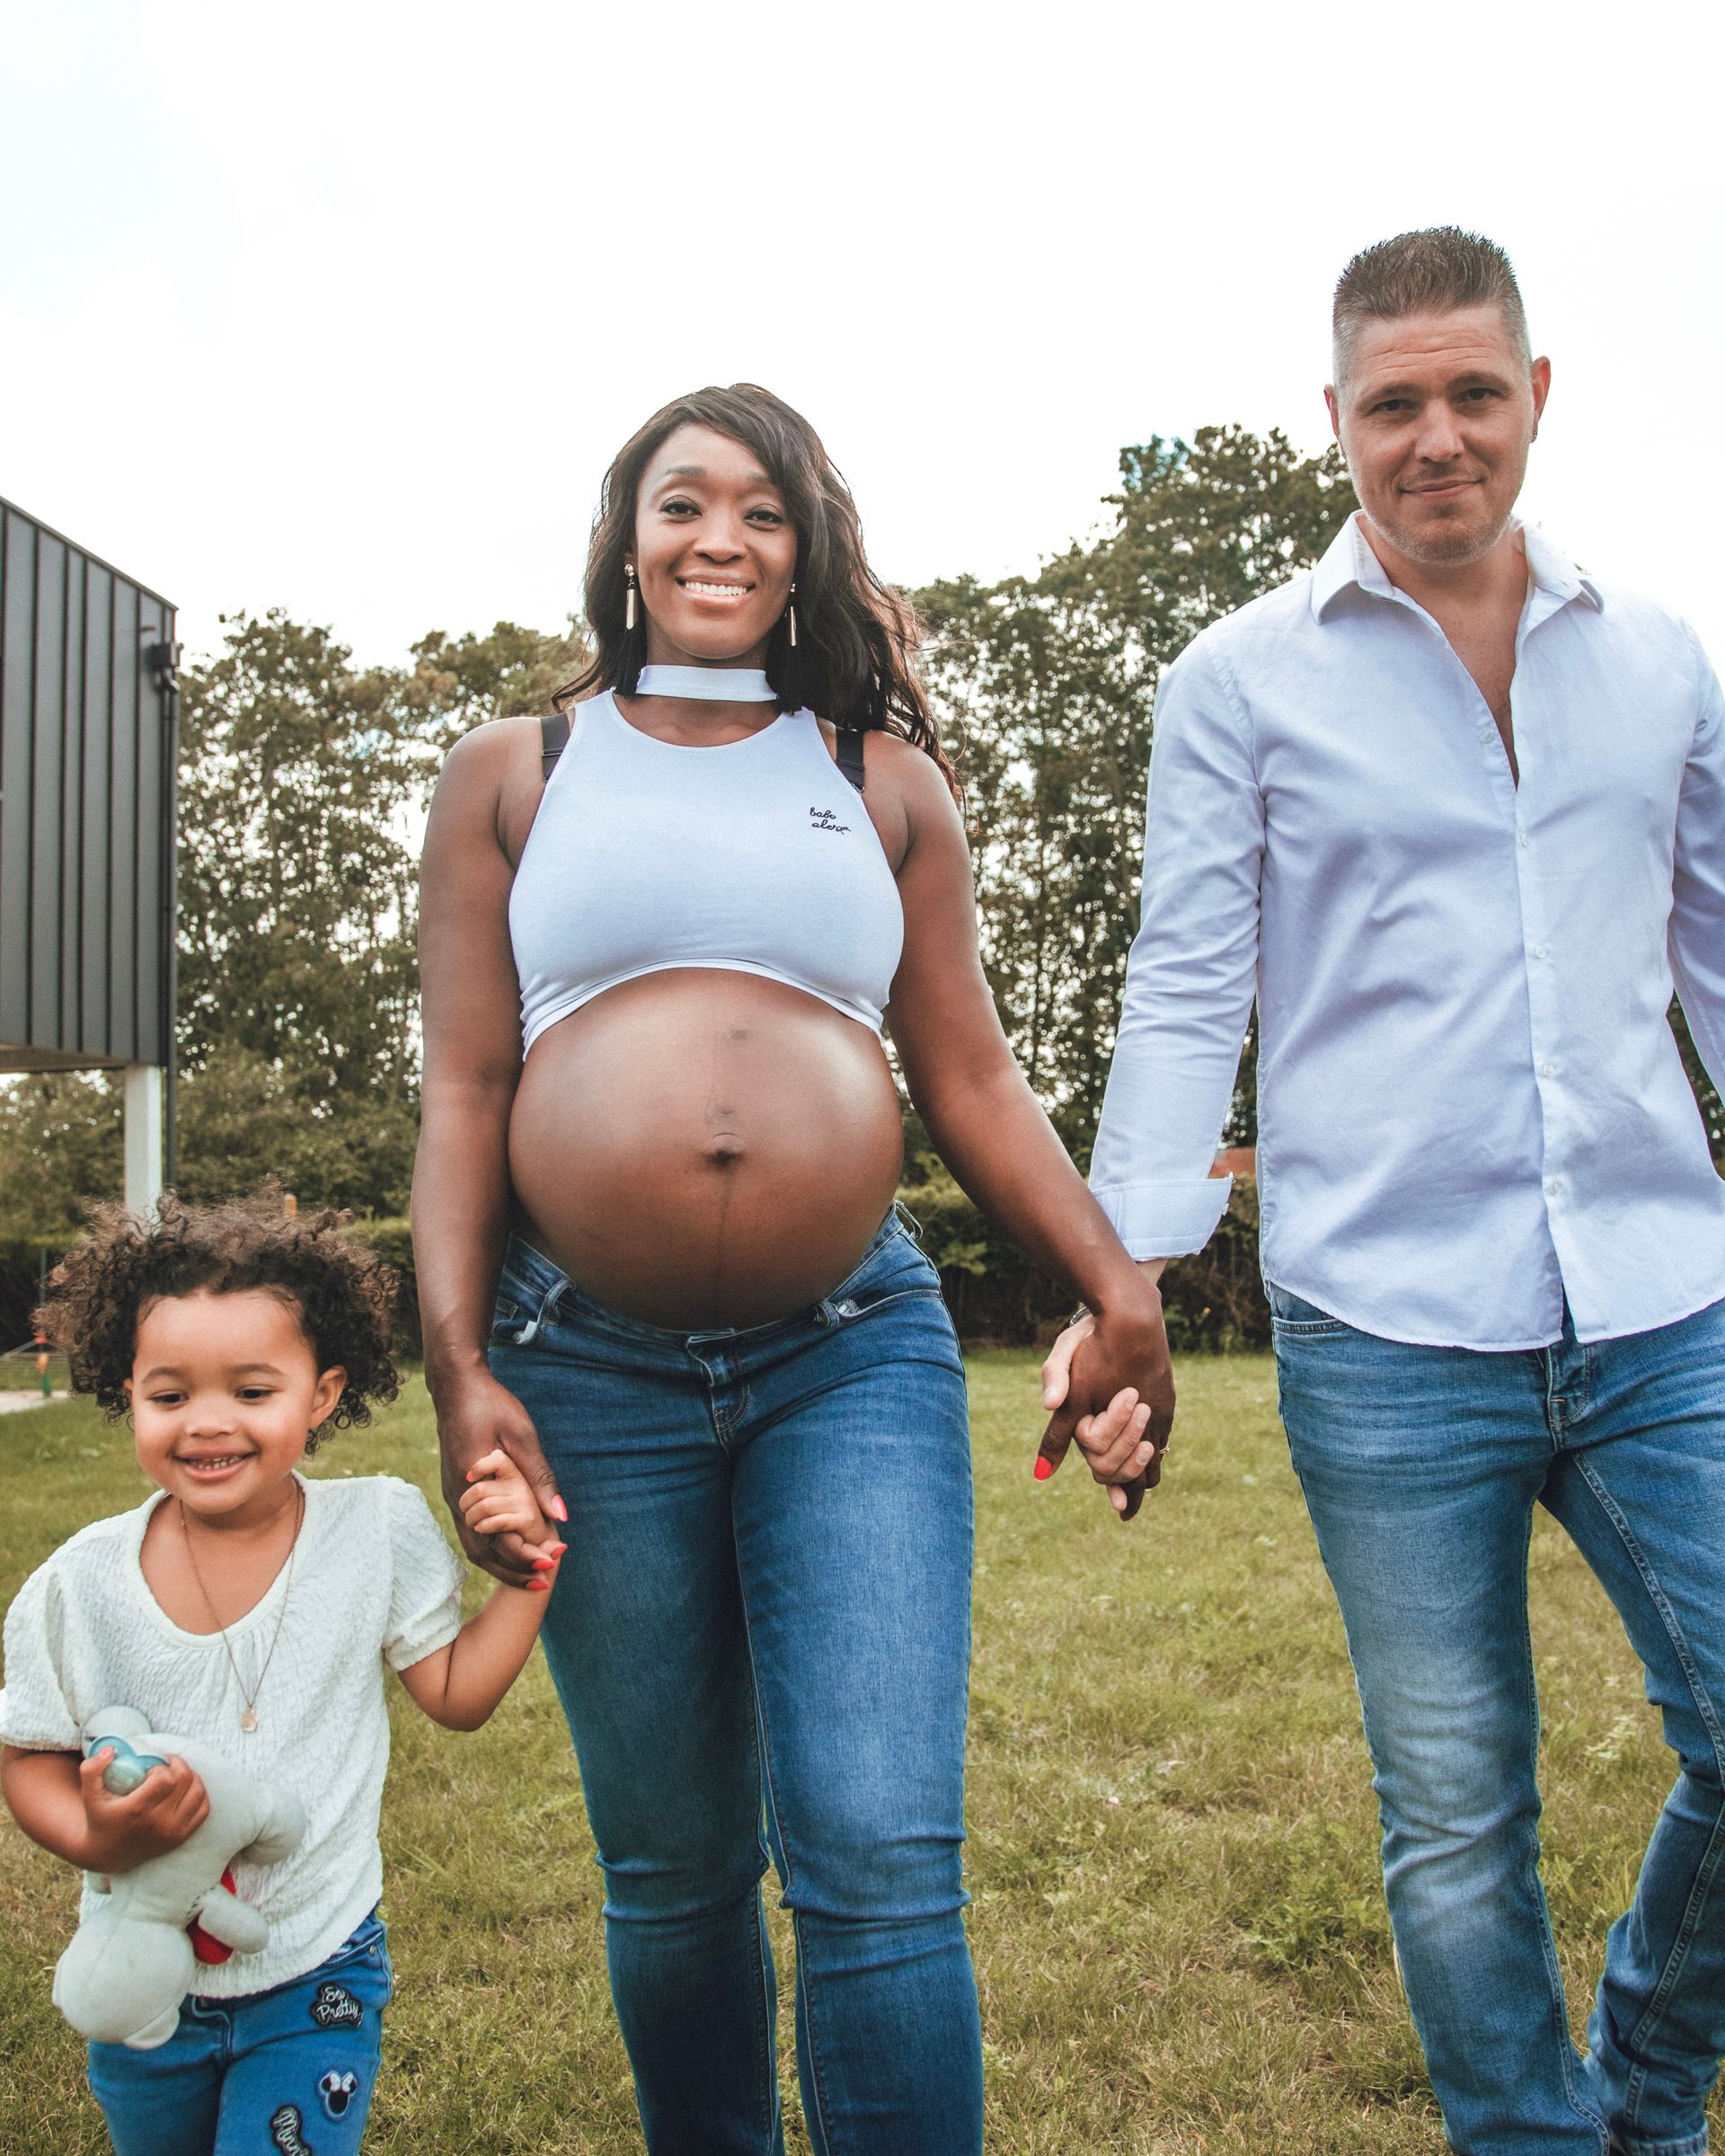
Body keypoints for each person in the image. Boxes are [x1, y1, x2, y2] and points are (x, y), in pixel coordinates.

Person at [411, 382, 1175, 2154]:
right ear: (625, 538)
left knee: (881, 1851)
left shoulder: (878, 782)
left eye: (762, 512)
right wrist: (463, 1367)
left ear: (806, 548)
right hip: (581, 1363)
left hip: (852, 1358)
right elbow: (460, 1089)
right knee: (673, 1867)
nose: (720, 541)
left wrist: (1112, 1281)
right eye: (685, 505)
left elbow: (968, 1076)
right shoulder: (515, 775)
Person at [1042, 228, 1725, 2156]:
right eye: (1395, 403)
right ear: (1334, 421)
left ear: (1538, 398)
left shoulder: (1662, 656)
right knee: (1454, 1817)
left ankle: (1646, 2098)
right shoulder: (1241, 682)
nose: (1439, 436)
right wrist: (1130, 1280)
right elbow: (1185, 979)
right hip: (1389, 1326)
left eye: (1472, 393)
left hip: (1666, 1297)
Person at [0, 1193, 562, 2156]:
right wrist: (94, 1831)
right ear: (126, 1391)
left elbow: (459, 1697)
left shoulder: (374, 1531)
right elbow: (28, 1759)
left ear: (323, 1394)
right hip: (146, 1977)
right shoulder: (79, 1585)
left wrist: (532, 1563)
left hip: (318, 1969)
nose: (207, 1425)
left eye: (253, 1393)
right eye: (169, 1396)